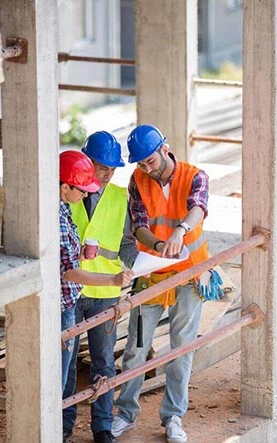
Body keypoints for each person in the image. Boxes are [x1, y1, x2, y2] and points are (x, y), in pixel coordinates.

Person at [112, 124, 210, 443]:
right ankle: (125, 414)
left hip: (189, 273)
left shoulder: (195, 176)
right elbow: (139, 224)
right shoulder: (137, 180)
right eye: (140, 164)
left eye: (150, 161)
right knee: (136, 347)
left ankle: (173, 416)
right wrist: (156, 246)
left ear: (164, 150)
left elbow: (199, 208)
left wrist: (180, 231)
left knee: (181, 346)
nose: (146, 169)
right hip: (152, 272)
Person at [59, 150, 134, 443]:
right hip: (73, 294)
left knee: (102, 360)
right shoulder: (66, 199)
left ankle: (102, 427)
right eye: (101, 167)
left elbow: (127, 242)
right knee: (66, 363)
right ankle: (63, 423)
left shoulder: (118, 197)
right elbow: (67, 268)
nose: (106, 175)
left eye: (112, 169)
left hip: (104, 293)